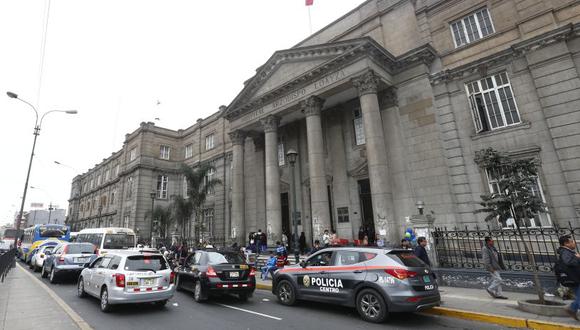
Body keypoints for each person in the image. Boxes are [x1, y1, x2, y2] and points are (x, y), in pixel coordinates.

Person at [558, 235, 580, 320]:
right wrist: (578, 258)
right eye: (572, 242)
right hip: (574, 278)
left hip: (576, 277)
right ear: (566, 243)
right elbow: (569, 262)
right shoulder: (564, 252)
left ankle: (571, 308)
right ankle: (571, 308)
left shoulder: (567, 251)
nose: (574, 243)